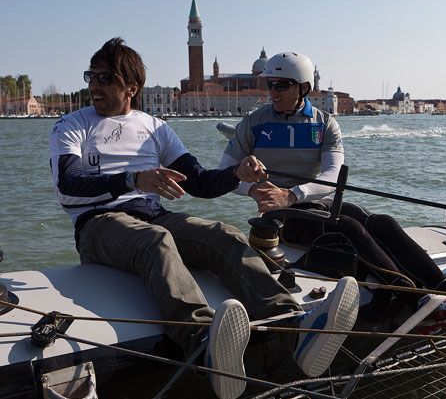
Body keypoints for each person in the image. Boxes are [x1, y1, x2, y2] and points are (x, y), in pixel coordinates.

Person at [49, 38, 359, 399]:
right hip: (98, 223)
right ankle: (204, 339)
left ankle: (294, 323)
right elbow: (68, 185)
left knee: (222, 233)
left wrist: (236, 174)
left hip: (153, 215)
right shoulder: (71, 125)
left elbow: (199, 182)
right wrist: (133, 179)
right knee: (157, 242)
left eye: (105, 78)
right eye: (91, 77)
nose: (94, 86)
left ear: (130, 87)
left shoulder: (155, 127)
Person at [218, 50, 446, 333]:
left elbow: (332, 175)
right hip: (281, 216)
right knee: (347, 226)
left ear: (303, 88)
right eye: (270, 85)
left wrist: (293, 193)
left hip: (310, 201)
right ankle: (422, 302)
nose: (273, 91)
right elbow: (224, 174)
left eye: (281, 85)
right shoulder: (253, 123)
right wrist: (254, 191)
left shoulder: (325, 123)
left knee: (382, 222)